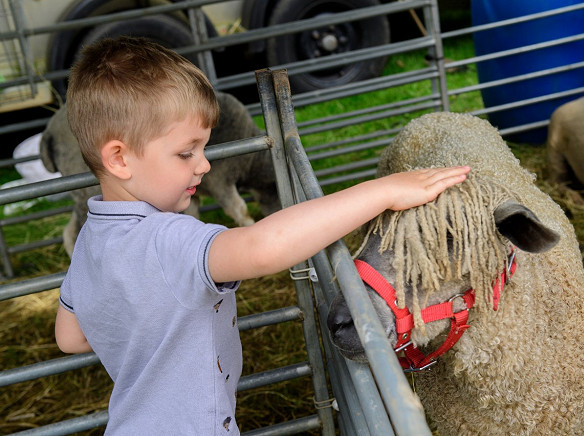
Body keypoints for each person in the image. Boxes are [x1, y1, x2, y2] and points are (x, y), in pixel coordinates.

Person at [54, 36, 470, 435]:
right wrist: (384, 190)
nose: (204, 166)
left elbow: (69, 337)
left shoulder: (91, 241)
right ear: (119, 158)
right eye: (186, 153)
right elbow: (263, 247)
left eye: (203, 149)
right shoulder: (167, 241)